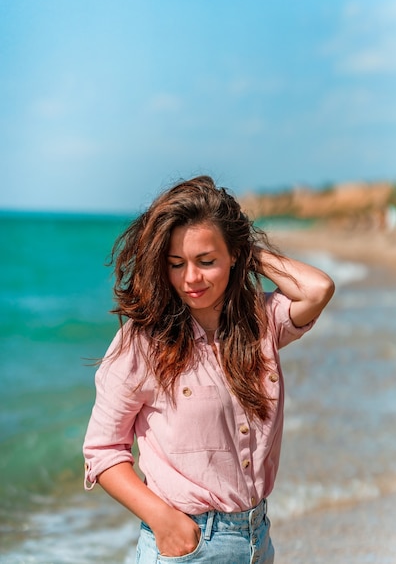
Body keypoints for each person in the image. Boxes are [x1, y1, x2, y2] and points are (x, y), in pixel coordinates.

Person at [83, 175, 335, 563]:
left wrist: (247, 248)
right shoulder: (142, 343)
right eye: (176, 263)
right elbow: (102, 450)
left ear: (234, 256)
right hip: (187, 546)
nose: (190, 279)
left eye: (206, 261)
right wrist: (163, 520)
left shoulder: (260, 322)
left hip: (257, 540)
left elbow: (317, 290)